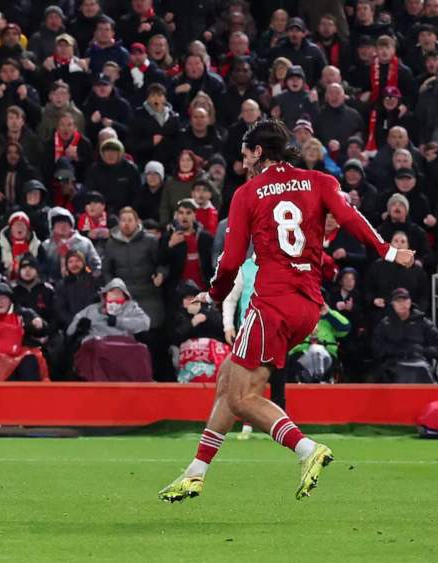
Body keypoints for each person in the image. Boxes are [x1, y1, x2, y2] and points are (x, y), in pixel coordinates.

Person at [159, 120, 415, 503]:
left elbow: (230, 261)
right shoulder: (319, 181)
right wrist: (389, 251)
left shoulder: (248, 194)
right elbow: (349, 218)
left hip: (272, 303)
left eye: (246, 153)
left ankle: (306, 449)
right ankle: (196, 472)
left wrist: (213, 292)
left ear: (258, 151)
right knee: (229, 379)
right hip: (308, 305)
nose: (243, 161)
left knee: (242, 396)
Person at [372, 288, 438, 384]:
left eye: (405, 300)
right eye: (398, 301)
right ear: (392, 304)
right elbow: (376, 348)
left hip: (420, 364)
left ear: (410, 302)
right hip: (393, 365)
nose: (402, 304)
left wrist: (422, 350)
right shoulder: (384, 324)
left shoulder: (423, 322)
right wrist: (396, 350)